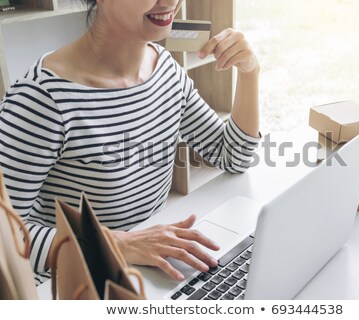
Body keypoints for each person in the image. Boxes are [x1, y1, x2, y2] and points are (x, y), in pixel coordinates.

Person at [0, 0, 260, 284]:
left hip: (149, 273)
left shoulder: (166, 72)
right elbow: (5, 237)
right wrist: (119, 245)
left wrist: (249, 72)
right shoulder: (42, 97)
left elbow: (233, 157)